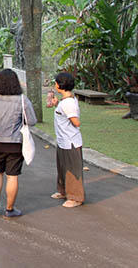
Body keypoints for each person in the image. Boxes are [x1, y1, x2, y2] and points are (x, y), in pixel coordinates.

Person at [0, 69, 37, 217]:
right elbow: (32, 121)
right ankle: (9, 209)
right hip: (14, 143)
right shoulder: (21, 100)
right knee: (12, 175)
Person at [49, 71, 85, 208]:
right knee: (62, 167)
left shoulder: (68, 103)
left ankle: (76, 197)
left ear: (59, 85)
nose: (54, 85)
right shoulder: (65, 101)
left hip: (71, 142)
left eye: (55, 82)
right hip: (63, 141)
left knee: (72, 170)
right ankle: (63, 191)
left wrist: (72, 119)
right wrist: (56, 104)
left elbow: (76, 122)